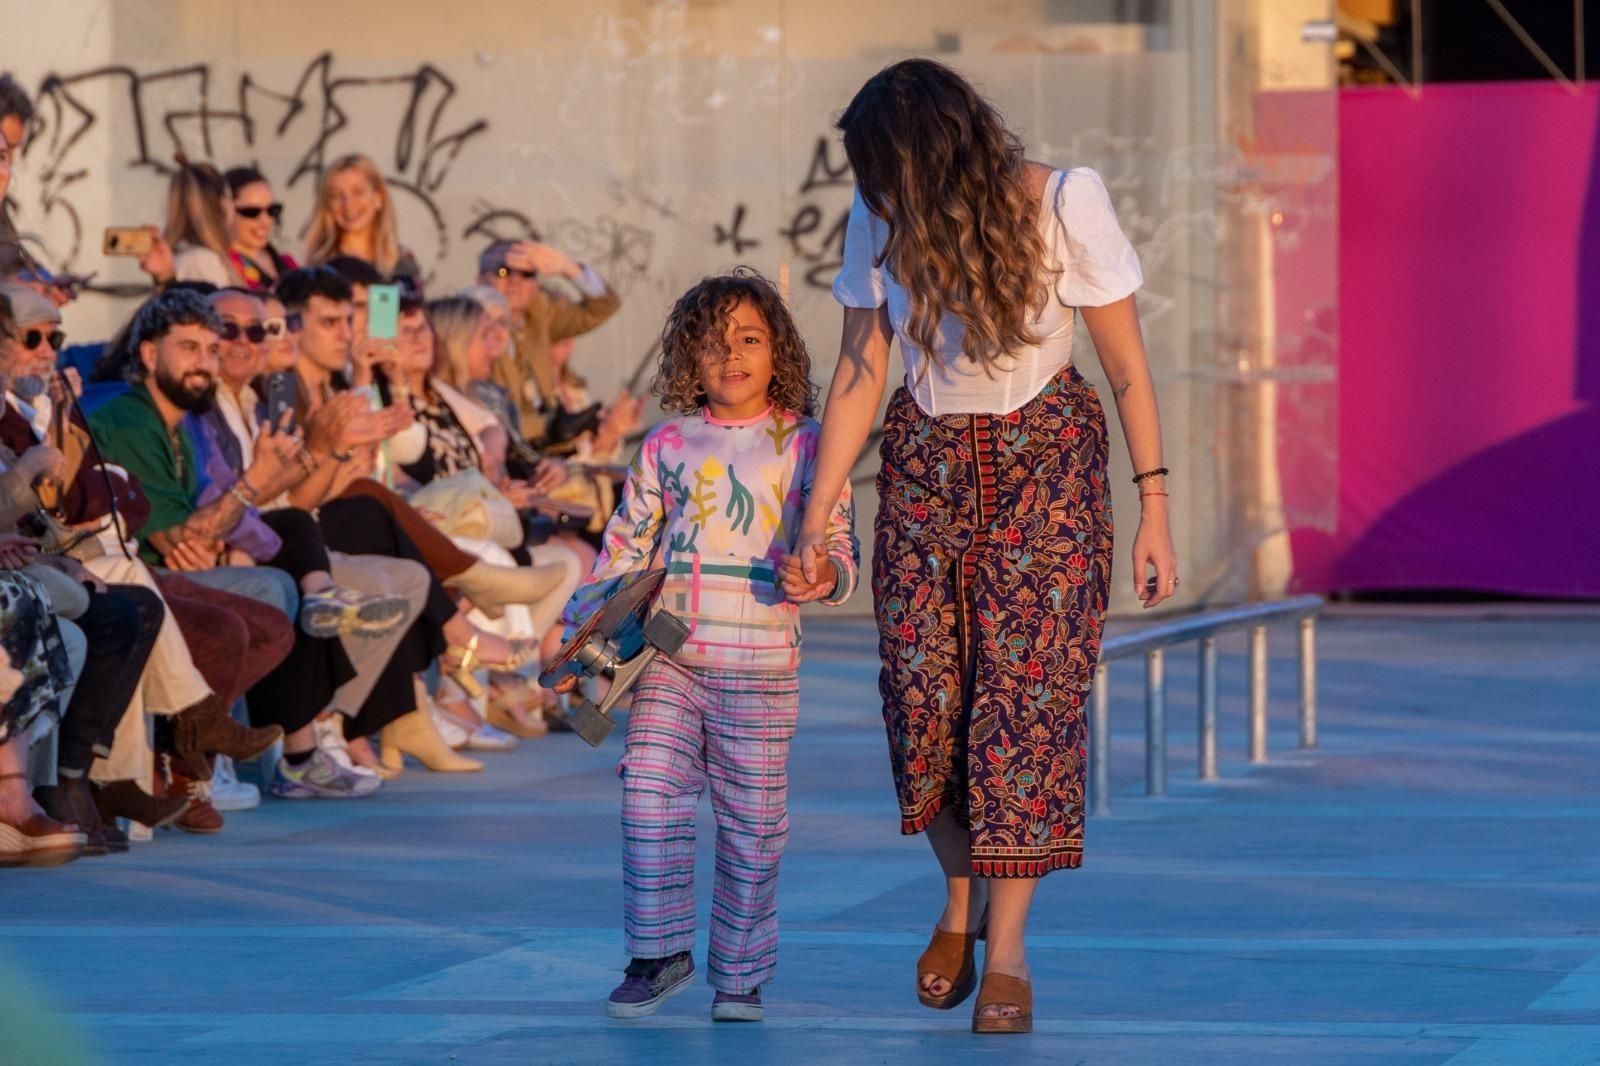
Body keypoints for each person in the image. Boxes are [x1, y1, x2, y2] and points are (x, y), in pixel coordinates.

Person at [795, 60, 1179, 1034]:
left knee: (1022, 711)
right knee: (919, 698)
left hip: (1047, 461)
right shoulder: (877, 212)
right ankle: (958, 893)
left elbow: (1126, 368)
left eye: (887, 171)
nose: (877, 191)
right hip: (925, 463)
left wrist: (1155, 508)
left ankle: (1004, 951)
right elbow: (858, 363)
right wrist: (815, 508)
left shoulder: (1062, 199)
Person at [552, 270, 859, 1023]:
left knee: (754, 822)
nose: (731, 356)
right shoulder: (665, 443)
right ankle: (657, 954)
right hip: (668, 656)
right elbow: (623, 550)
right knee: (647, 796)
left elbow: (840, 545)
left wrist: (822, 575)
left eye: (749, 339)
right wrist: (574, 638)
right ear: (685, 360)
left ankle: (741, 974)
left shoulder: (810, 443)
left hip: (760, 663)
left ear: (778, 349)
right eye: (711, 343)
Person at [478, 239, 620, 446]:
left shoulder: (539, 316)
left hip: (549, 452)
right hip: (505, 449)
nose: (515, 282)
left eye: (527, 274)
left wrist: (569, 269)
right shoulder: (468, 330)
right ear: (480, 279)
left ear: (535, 284)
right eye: (503, 271)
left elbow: (604, 306)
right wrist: (548, 426)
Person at [303, 155, 421, 294]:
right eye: (336, 195)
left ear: (378, 197)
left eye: (358, 192)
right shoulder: (319, 269)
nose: (348, 204)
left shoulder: (403, 262)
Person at [165, 159, 243, 288]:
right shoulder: (201, 261)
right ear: (221, 203)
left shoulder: (191, 256)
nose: (233, 206)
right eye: (230, 198)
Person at [224, 167, 298, 290]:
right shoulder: (222, 266)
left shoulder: (287, 263)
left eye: (272, 210)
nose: (265, 221)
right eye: (251, 212)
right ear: (226, 211)